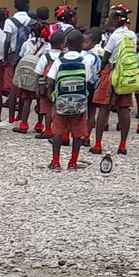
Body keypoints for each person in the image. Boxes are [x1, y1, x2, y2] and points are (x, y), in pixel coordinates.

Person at [91, 4, 136, 156]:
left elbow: (106, 56)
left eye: (109, 17)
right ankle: (122, 145)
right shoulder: (132, 35)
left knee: (104, 108)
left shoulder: (115, 36)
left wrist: (100, 70)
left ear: (116, 20)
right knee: (124, 109)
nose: (107, 20)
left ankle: (98, 144)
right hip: (126, 74)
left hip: (112, 73)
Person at [46, 29, 92, 171]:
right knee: (77, 134)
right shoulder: (86, 60)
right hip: (79, 104)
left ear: (66, 44)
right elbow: (88, 80)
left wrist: (51, 96)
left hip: (61, 103)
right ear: (81, 44)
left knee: (58, 132)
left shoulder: (59, 60)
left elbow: (51, 80)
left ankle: (56, 162)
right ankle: (72, 162)